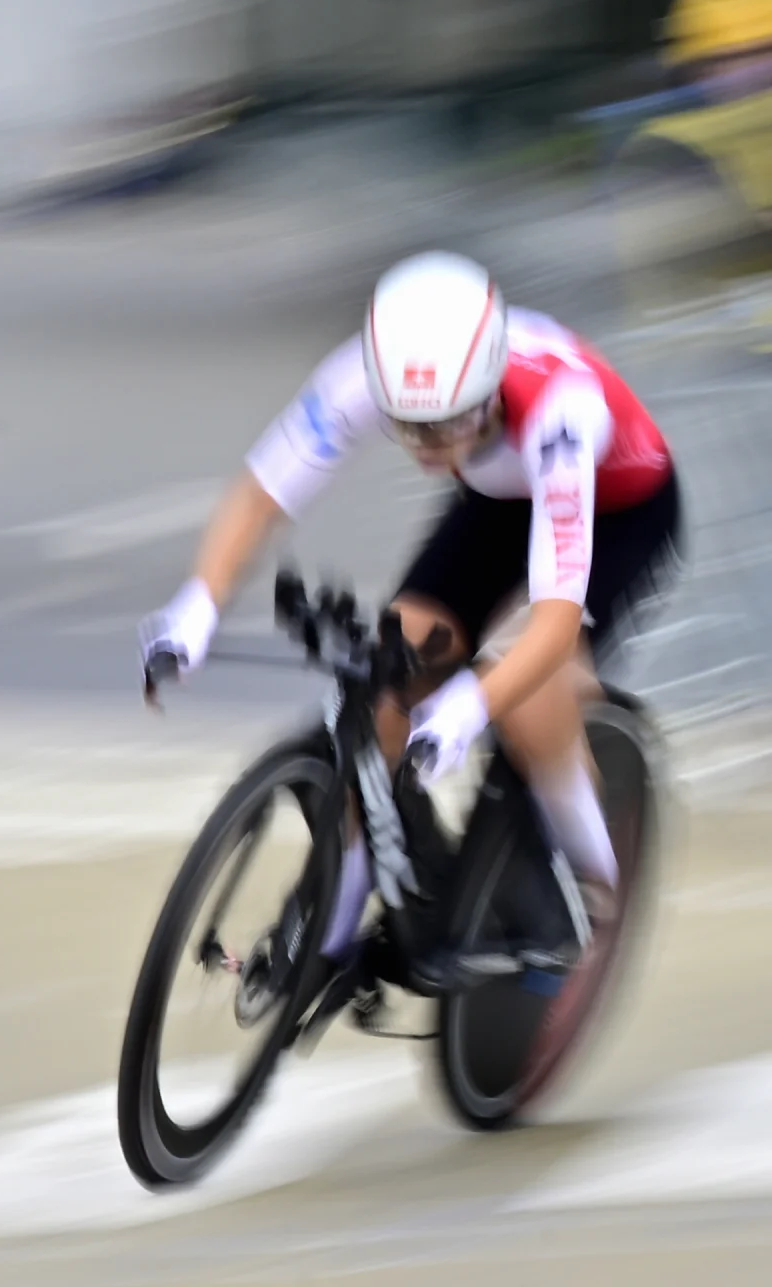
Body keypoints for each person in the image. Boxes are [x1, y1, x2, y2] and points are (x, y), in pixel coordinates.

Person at [141, 250, 680, 999]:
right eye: (409, 428)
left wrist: (470, 705)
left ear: (489, 390)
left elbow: (553, 625)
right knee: (387, 681)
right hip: (496, 503)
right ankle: (327, 936)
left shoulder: (560, 412)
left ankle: (586, 882)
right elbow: (262, 494)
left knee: (527, 693)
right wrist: (196, 604)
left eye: (447, 427)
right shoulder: (368, 375)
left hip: (620, 513)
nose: (427, 448)